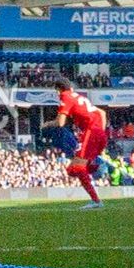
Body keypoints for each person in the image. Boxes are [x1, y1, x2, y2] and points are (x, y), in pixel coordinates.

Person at [53, 77, 109, 209]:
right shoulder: (78, 96)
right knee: (71, 170)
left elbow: (61, 123)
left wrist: (49, 123)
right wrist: (101, 131)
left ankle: (96, 201)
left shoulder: (65, 96)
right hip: (97, 133)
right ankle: (97, 167)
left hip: (91, 132)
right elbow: (102, 112)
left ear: (58, 90)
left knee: (78, 168)